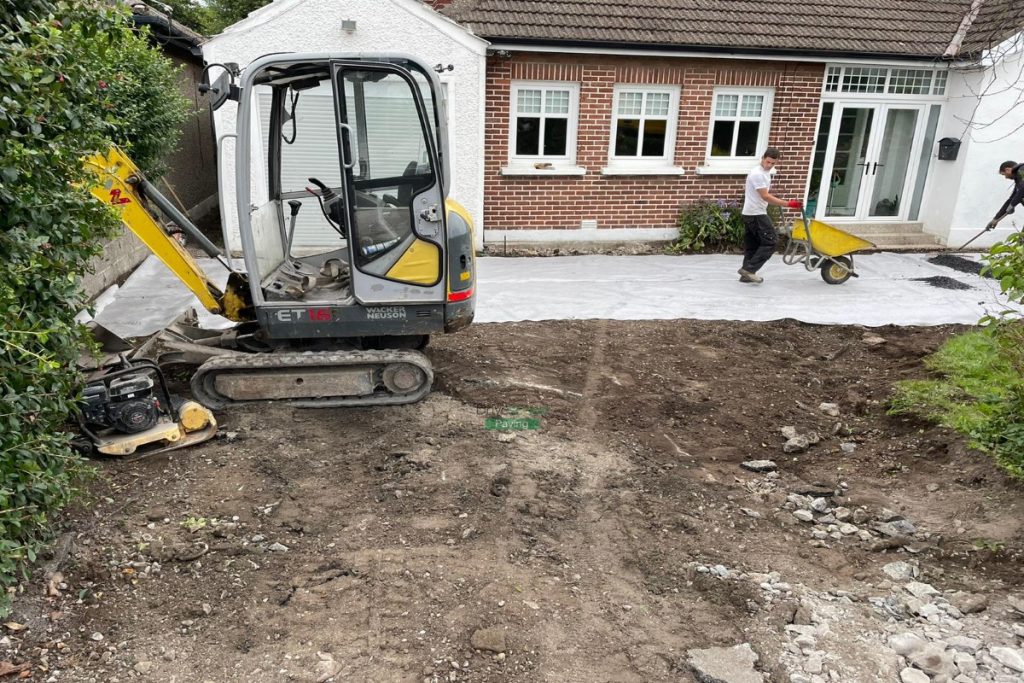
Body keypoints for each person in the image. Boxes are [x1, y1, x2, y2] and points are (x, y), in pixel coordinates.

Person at [738, 147, 803, 284]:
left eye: (773, 163)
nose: (769, 165)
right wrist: (788, 204)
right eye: (768, 162)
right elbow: (765, 196)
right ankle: (749, 270)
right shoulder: (757, 174)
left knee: (754, 245)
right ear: (762, 158)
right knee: (771, 241)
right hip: (756, 213)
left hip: (750, 212)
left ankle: (746, 274)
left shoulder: (764, 172)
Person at [985, 160, 1024, 231]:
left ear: (1007, 170)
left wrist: (1012, 204)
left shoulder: (1022, 170)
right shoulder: (1018, 181)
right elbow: (1011, 200)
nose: (1006, 177)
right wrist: (995, 219)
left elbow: (1023, 189)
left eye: (1004, 174)